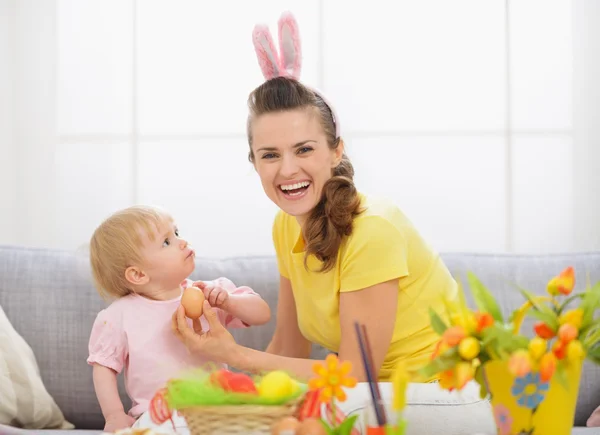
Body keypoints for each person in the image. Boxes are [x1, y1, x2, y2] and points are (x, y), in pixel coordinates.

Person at [171, 12, 458, 385]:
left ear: (336, 151)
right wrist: (237, 388)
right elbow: (291, 345)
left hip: (432, 393)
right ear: (254, 162)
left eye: (304, 149)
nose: (287, 169)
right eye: (270, 155)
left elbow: (356, 373)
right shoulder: (286, 224)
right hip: (366, 396)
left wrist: (234, 354)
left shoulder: (372, 231)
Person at [86, 205, 271, 432]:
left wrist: (229, 301)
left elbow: (263, 314)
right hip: (157, 415)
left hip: (217, 411)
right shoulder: (118, 316)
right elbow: (103, 367)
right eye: (166, 242)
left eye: (176, 233)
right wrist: (114, 414)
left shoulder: (208, 293)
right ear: (138, 274)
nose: (181, 242)